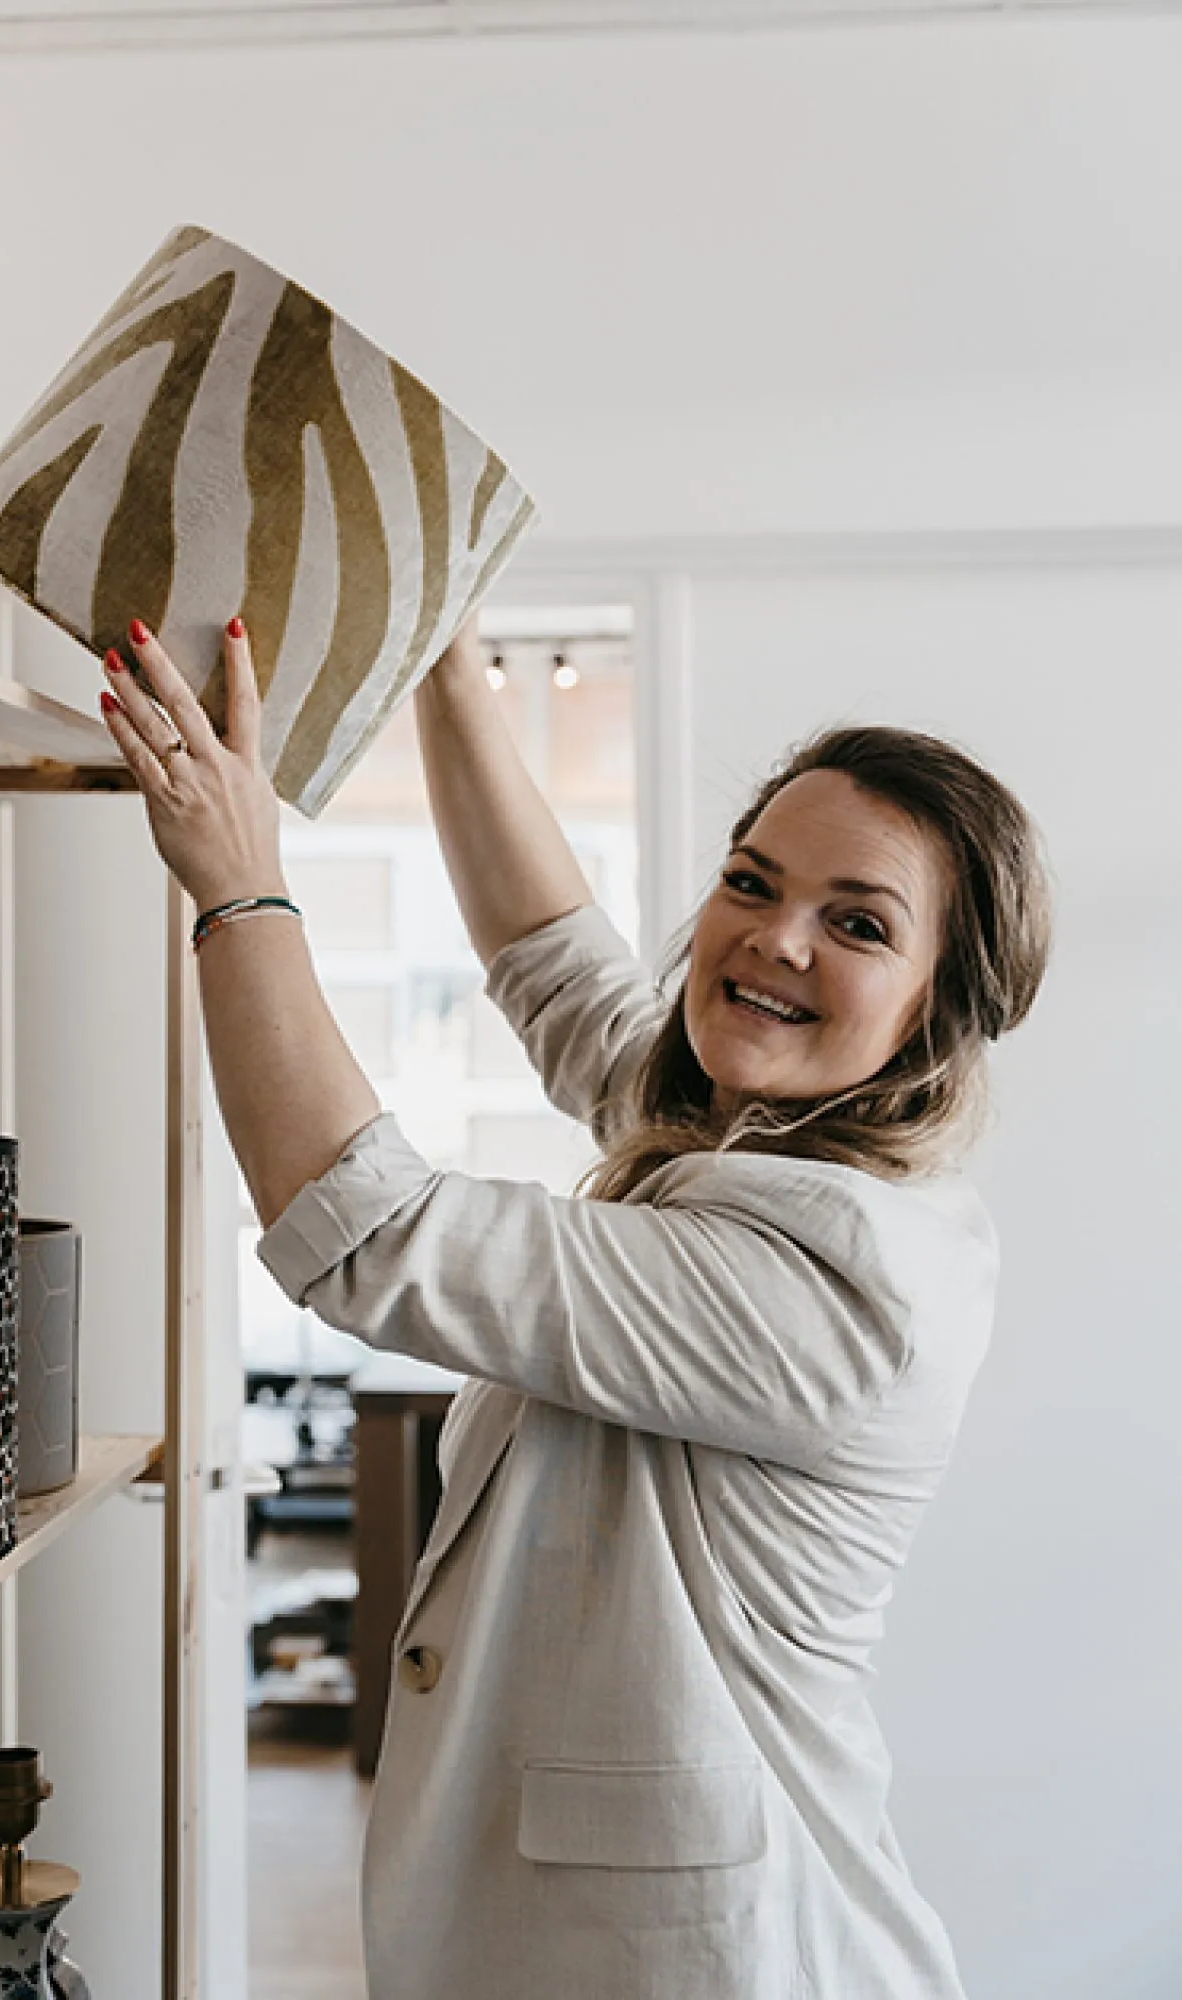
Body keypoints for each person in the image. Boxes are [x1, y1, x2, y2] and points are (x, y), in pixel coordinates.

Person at [99, 608, 1053, 2000]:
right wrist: (435, 650)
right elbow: (552, 961)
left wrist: (240, 890)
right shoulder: (750, 1130)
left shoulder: (848, 1282)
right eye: (750, 882)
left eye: (857, 923)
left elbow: (375, 1235)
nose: (774, 940)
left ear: (937, 1010)